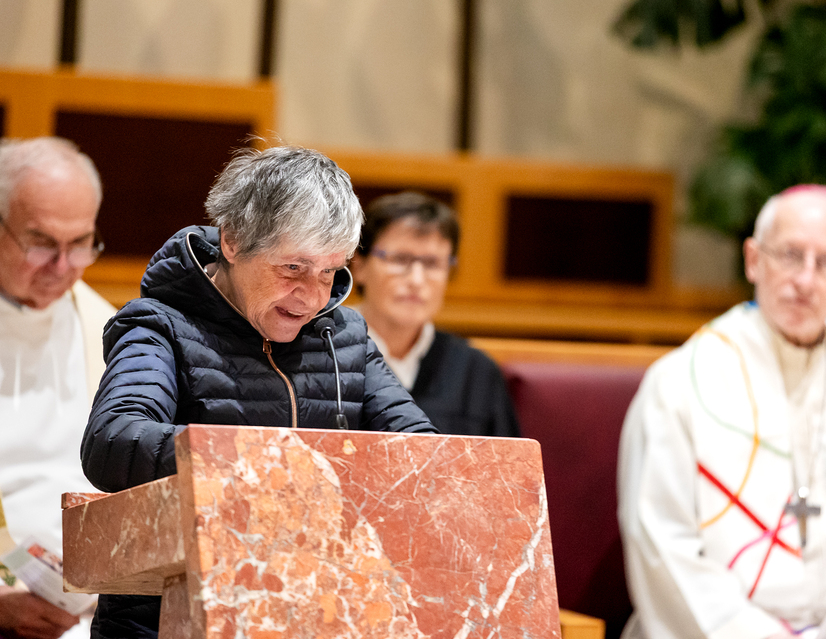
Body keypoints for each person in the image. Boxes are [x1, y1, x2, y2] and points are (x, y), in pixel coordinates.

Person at [81, 146, 438, 638]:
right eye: (293, 268)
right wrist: (260, 462)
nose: (312, 296)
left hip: (316, 612)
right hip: (169, 619)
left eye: (329, 271)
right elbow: (113, 440)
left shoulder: (344, 336)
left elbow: (427, 455)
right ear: (233, 240)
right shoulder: (158, 326)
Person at [618, 185, 826, 639]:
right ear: (753, 260)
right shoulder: (680, 384)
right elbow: (663, 546)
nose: (806, 280)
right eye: (791, 255)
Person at [0, 137, 115, 639]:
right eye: (42, 243)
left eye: (81, 243)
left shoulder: (109, 331)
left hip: (92, 610)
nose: (64, 266)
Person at [350, 192, 520, 437]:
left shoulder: (476, 372)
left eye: (432, 264)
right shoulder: (319, 354)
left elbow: (506, 461)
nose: (417, 280)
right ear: (360, 266)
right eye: (400, 259)